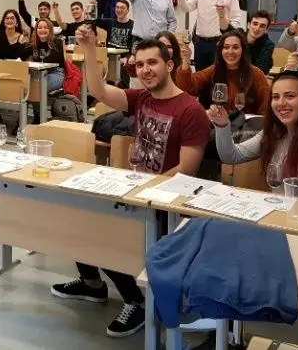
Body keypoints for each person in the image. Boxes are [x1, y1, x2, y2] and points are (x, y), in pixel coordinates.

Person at [50, 25, 208, 339]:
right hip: (134, 192)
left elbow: (186, 170)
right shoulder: (142, 98)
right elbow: (99, 91)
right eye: (140, 64)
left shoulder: (191, 110)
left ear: (169, 65)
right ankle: (92, 284)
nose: (146, 69)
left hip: (167, 204)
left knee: (106, 232)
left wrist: (141, 189)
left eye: (153, 63)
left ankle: (136, 301)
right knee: (78, 214)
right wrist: (90, 48)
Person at [209, 71, 298, 199]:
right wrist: (222, 125)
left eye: (290, 96)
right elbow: (231, 156)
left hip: (297, 213)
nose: (281, 103)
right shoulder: (275, 132)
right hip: (277, 209)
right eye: (276, 97)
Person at [176, 30, 271, 115]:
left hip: (246, 126)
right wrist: (186, 61)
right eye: (226, 47)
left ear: (243, 50)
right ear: (220, 51)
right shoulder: (213, 70)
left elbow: (266, 107)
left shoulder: (256, 74)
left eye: (235, 47)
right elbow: (186, 86)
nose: (230, 51)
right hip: (216, 123)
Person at [175, 0, 242, 71]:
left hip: (219, 42)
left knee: (218, 74)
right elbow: (186, 8)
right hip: (200, 43)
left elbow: (236, 18)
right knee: (200, 74)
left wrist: (229, 38)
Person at [27, 18, 65, 93]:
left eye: (45, 27)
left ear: (50, 30)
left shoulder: (57, 42)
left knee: (36, 88)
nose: (42, 30)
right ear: (36, 30)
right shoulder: (34, 44)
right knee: (24, 85)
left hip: (56, 73)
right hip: (38, 73)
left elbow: (53, 60)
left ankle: (39, 100)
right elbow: (20, 56)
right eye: (39, 28)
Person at [244, 10, 276, 75]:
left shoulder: (268, 45)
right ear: (248, 25)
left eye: (262, 26)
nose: (257, 28)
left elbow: (261, 70)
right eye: (255, 24)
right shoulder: (238, 38)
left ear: (266, 30)